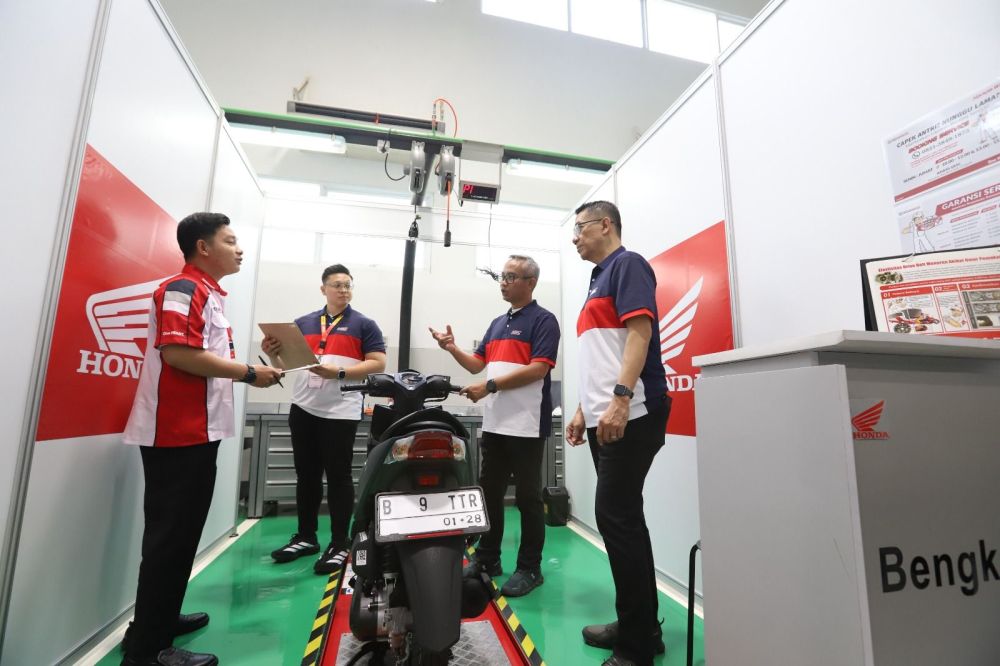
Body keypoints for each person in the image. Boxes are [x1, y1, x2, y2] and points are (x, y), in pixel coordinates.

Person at [121, 213, 283, 666]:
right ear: (203, 247)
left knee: (180, 537)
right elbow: (179, 354)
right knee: (169, 540)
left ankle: (158, 621)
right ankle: (148, 651)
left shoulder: (209, 295)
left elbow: (203, 357)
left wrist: (256, 365)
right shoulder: (183, 289)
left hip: (197, 432)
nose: (239, 249)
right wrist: (249, 373)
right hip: (175, 432)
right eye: (230, 241)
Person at [565, 201, 671, 666]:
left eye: (580, 228)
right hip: (605, 415)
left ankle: (636, 648)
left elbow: (639, 335)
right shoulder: (597, 279)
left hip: (634, 412)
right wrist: (582, 409)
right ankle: (641, 628)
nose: (575, 238)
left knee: (616, 517)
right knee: (623, 520)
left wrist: (622, 399)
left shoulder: (628, 265)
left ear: (605, 225)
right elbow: (602, 355)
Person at [430, 255, 559, 597]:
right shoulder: (498, 323)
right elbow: (477, 365)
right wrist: (452, 348)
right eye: (502, 276)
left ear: (531, 282)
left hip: (527, 425)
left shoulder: (544, 321)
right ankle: (488, 559)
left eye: (511, 277)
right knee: (489, 493)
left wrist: (490, 386)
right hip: (496, 423)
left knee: (529, 499)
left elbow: (538, 369)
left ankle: (530, 568)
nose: (503, 282)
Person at [266, 264, 386, 574]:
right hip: (303, 407)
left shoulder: (364, 325)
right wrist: (272, 353)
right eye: (337, 285)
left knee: (338, 476)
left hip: (340, 410)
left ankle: (339, 542)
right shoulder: (303, 323)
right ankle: (306, 537)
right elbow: (286, 365)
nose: (344, 290)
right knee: (306, 474)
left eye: (348, 285)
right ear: (323, 289)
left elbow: (378, 363)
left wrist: (340, 372)